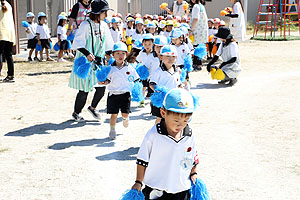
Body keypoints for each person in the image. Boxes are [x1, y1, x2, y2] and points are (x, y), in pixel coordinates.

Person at [131, 88, 199, 200]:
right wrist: (138, 181)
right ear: (163, 113)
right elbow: (142, 160)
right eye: (176, 121)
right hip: (156, 188)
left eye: (185, 121)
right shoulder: (153, 135)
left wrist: (193, 173)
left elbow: (193, 156)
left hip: (181, 188)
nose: (180, 125)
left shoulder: (189, 134)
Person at [69, 0, 114, 122]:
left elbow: (108, 43)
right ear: (98, 12)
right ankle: (76, 113)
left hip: (98, 61)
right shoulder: (85, 25)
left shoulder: (104, 25)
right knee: (84, 89)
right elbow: (78, 42)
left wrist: (109, 54)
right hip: (86, 62)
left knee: (101, 88)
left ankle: (92, 108)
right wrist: (87, 54)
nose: (106, 15)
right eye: (105, 12)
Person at [102, 42, 139, 140]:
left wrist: (137, 87)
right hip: (113, 94)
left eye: (123, 53)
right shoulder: (110, 68)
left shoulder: (129, 67)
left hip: (125, 94)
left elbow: (136, 79)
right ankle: (112, 130)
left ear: (126, 54)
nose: (120, 56)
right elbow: (108, 79)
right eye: (117, 53)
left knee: (125, 113)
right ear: (113, 55)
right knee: (114, 114)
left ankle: (125, 118)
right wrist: (104, 82)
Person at [150, 45, 182, 124]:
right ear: (161, 57)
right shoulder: (158, 71)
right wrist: (159, 92)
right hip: (162, 99)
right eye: (167, 56)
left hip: (173, 98)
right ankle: (155, 129)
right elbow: (152, 84)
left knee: (172, 116)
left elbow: (178, 84)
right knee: (161, 117)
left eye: (173, 56)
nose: (170, 59)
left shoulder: (177, 70)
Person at [136, 34, 155, 107]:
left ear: (152, 44)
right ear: (142, 44)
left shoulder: (154, 53)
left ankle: (153, 101)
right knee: (143, 87)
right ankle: (141, 100)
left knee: (153, 88)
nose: (147, 46)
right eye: (145, 44)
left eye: (149, 44)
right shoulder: (141, 53)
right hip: (144, 74)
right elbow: (138, 61)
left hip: (152, 74)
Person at [0, 0, 15, 82]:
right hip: (9, 33)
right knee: (8, 55)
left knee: (0, 53)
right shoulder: (8, 5)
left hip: (1, 32)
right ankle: (10, 75)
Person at [190, 0, 208, 70]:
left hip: (197, 29)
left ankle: (196, 64)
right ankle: (199, 64)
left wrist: (191, 29)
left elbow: (196, 18)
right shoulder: (201, 6)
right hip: (202, 30)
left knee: (195, 47)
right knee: (200, 47)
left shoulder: (196, 6)